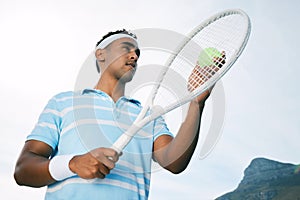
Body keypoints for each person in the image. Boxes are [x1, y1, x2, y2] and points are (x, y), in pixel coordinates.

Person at [14, 29, 218, 199]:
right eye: (126, 49)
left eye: (137, 53)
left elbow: (174, 162)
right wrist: (73, 164)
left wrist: (195, 103)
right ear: (100, 54)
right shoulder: (63, 102)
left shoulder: (148, 114)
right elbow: (23, 170)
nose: (134, 56)